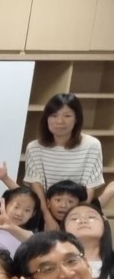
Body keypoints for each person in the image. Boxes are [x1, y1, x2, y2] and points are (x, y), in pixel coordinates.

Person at [24, 93, 103, 228]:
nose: (59, 121)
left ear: (77, 119)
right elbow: (36, 186)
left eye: (67, 116)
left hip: (80, 208)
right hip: (46, 210)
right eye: (54, 115)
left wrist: (76, 217)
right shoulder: (34, 147)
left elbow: (89, 187)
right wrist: (47, 217)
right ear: (46, 118)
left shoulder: (92, 145)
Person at [61, 203, 114, 279]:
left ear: (104, 224)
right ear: (64, 228)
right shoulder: (57, 266)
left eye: (91, 217)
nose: (83, 221)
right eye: (74, 219)